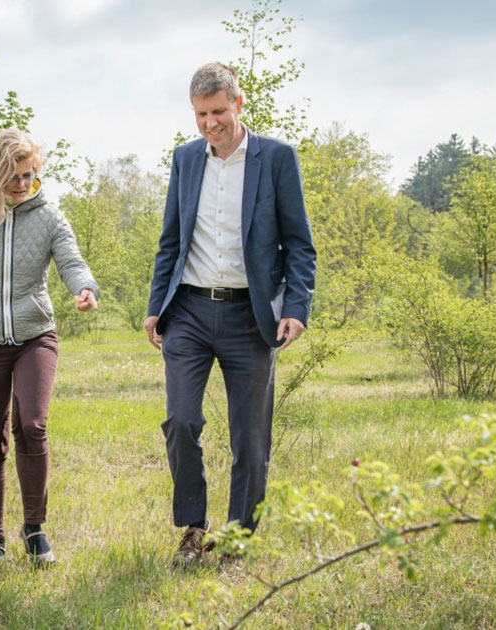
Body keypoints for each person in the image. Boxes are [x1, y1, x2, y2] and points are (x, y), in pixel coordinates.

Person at [145, 62, 316, 568]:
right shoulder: (185, 160)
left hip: (250, 317)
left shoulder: (277, 158)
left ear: (238, 105)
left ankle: (238, 541)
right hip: (190, 313)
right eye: (200, 114)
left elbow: (300, 245)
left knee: (250, 438)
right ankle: (194, 529)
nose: (209, 123)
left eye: (218, 111)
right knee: (180, 420)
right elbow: (171, 240)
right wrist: (157, 307)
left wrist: (296, 308)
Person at [0, 128, 99, 566]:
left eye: (29, 175)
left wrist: (84, 287)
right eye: (14, 177)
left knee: (32, 424)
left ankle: (35, 529)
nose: (24, 184)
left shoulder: (50, 218)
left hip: (35, 336)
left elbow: (71, 261)